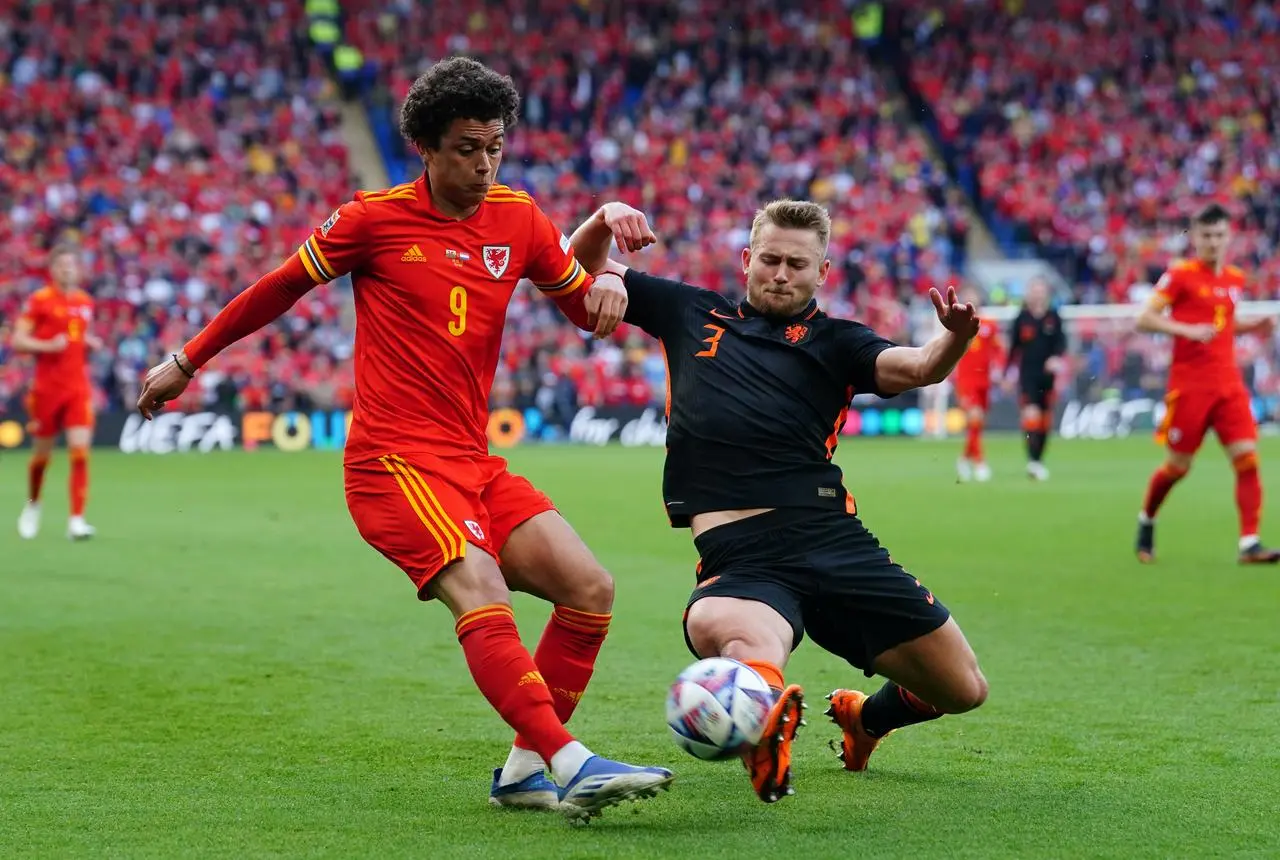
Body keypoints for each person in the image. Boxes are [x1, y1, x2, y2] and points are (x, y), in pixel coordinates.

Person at [135, 57, 672, 820]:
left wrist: (605, 261)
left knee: (590, 590)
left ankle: (525, 772)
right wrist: (186, 360)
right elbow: (278, 287)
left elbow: (588, 312)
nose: (484, 164)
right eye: (466, 148)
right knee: (479, 589)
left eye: (494, 146)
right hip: (393, 463)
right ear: (424, 145)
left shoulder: (517, 217)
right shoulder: (372, 219)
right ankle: (570, 760)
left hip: (473, 461)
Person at [570, 199, 989, 804]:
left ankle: (864, 721)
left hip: (833, 540)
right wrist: (605, 225)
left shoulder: (839, 343)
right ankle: (764, 728)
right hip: (742, 557)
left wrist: (952, 339)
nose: (781, 273)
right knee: (742, 638)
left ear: (823, 273)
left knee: (963, 690)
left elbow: (920, 367)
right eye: (770, 259)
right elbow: (571, 266)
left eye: (798, 263)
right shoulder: (690, 311)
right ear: (746, 260)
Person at [1134, 203, 1280, 564]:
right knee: (1178, 467)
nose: (1213, 242)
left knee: (1247, 459)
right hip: (1190, 386)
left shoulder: (1234, 278)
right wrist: (1186, 330)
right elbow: (1144, 319)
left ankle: (1249, 543)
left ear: (1228, 236)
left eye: (1218, 235)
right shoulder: (1180, 275)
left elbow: (1223, 325)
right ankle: (1147, 519)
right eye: (1206, 236)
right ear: (1195, 237)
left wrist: (1252, 326)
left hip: (1229, 384)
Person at [11, 243, 101, 540]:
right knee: (42, 456)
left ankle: (77, 519)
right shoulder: (40, 300)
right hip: (47, 388)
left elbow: (77, 335)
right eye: (62, 265)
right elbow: (19, 340)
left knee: (79, 453)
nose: (67, 269)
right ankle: (33, 505)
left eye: (71, 264)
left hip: (77, 387)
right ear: (53, 269)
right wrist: (47, 346)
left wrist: (88, 342)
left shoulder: (85, 302)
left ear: (78, 268)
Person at [1003, 279, 1066, 480]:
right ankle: (1031, 460)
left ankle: (1038, 460)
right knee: (1031, 416)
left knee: (1045, 422)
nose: (1038, 295)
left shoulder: (1053, 317)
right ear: (1028, 294)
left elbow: (1061, 343)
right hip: (1027, 375)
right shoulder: (1021, 319)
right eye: (1034, 291)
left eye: (1041, 291)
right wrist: (1007, 374)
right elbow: (1013, 349)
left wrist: (1056, 358)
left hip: (1047, 378)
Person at [953, 287, 1004, 483]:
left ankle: (964, 459)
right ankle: (980, 463)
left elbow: (999, 349)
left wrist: (999, 367)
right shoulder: (958, 325)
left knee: (978, 423)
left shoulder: (989, 325)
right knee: (974, 418)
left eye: (973, 296)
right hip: (966, 381)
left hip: (985, 381)